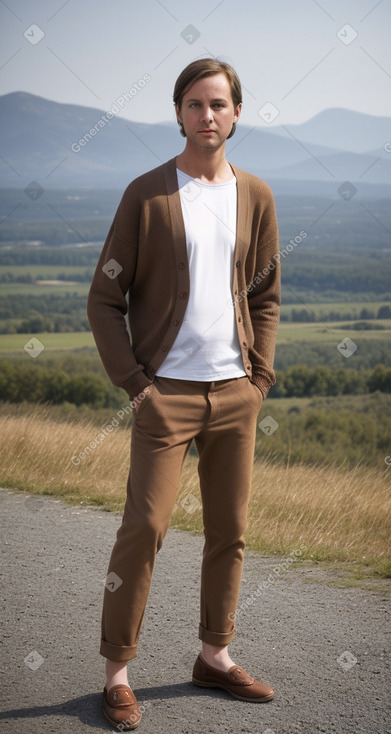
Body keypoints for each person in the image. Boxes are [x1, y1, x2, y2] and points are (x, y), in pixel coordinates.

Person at [87, 57, 280, 731]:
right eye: (195, 104)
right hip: (163, 396)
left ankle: (214, 656)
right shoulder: (146, 195)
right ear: (177, 113)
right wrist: (137, 387)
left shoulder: (255, 195)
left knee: (230, 532)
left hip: (234, 393)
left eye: (218, 104)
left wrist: (259, 380)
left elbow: (265, 295)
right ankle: (117, 673)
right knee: (145, 526)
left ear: (235, 114)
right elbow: (104, 298)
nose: (207, 115)